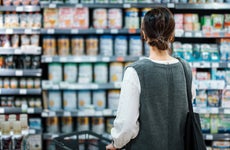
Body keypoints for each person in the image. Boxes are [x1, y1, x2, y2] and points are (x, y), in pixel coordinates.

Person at [106, 7, 196, 150]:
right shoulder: (185, 69)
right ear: (172, 34)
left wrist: (116, 144)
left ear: (144, 34)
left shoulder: (135, 72)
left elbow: (127, 125)